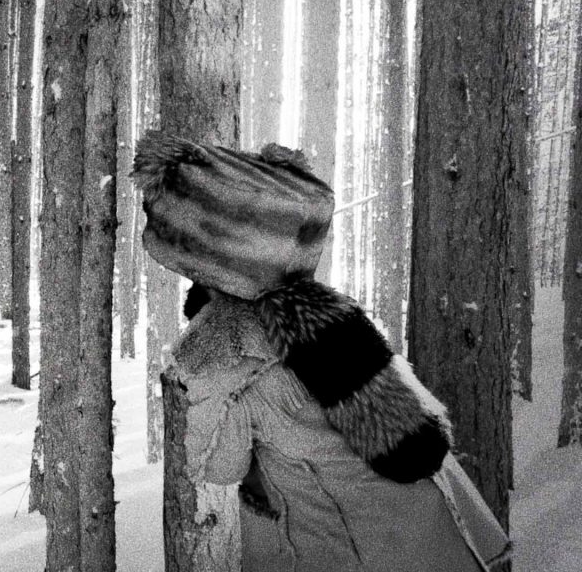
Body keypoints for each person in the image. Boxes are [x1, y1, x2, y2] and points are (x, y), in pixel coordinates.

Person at [134, 130, 511, 571]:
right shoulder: (328, 315)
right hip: (438, 523)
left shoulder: (223, 354)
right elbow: (420, 437)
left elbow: (219, 466)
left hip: (367, 546)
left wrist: (197, 371)